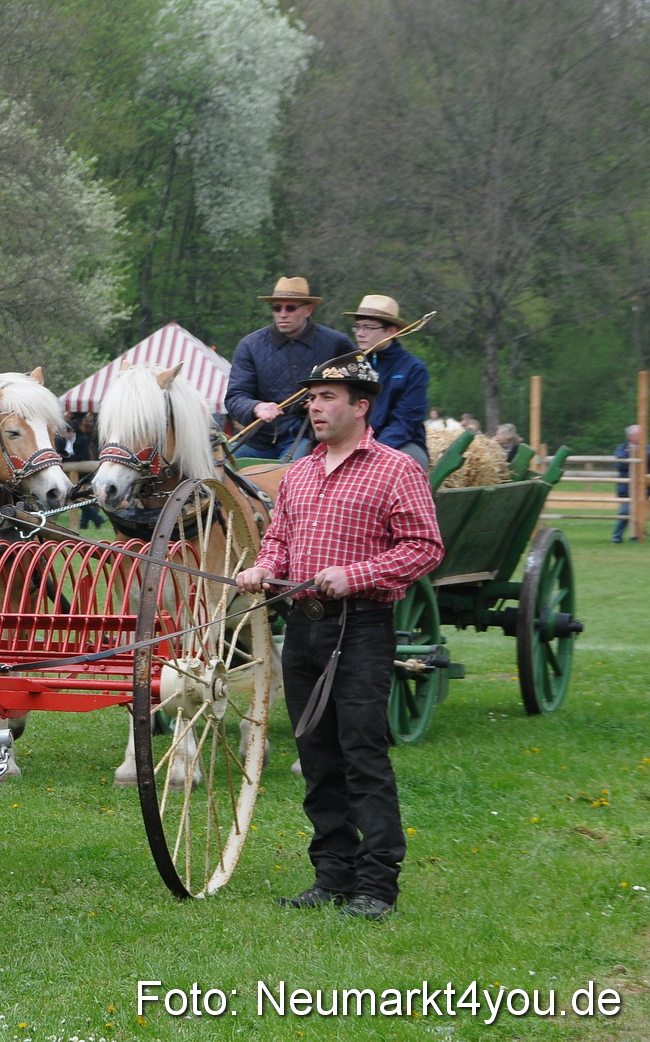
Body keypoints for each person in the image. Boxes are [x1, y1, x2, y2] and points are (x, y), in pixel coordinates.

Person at [235, 358, 444, 921]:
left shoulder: (396, 470)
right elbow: (279, 539)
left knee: (361, 754)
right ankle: (332, 875)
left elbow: (425, 547)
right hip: (303, 625)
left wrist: (356, 575)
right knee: (316, 753)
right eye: (311, 397)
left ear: (360, 406)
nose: (314, 406)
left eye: (327, 396)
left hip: (362, 627)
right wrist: (262, 568)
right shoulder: (299, 473)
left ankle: (377, 885)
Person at [225, 277, 356, 460]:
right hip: (257, 438)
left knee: (291, 474)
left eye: (290, 308)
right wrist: (257, 407)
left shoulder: (337, 343)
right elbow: (235, 397)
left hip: (307, 436)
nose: (283, 314)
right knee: (218, 467)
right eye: (277, 308)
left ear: (308, 310)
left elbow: (356, 391)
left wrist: (323, 401)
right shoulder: (249, 345)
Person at [345, 295, 430, 469]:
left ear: (391, 331)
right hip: (352, 443)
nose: (360, 333)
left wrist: (372, 450)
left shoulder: (413, 368)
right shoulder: (350, 365)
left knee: (395, 467)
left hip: (402, 444)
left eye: (368, 328)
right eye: (357, 327)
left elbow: (405, 422)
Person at [613, 424, 643, 544]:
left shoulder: (646, 447)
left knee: (640, 512)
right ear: (631, 437)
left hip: (643, 488)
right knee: (625, 511)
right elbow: (620, 464)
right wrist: (631, 454)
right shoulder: (621, 448)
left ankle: (637, 536)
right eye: (639, 435)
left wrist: (639, 452)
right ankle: (617, 536)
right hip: (626, 487)